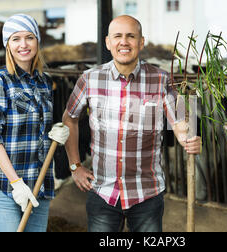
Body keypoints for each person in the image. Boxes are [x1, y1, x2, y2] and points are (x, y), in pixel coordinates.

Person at [62, 15, 202, 232]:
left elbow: (180, 122)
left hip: (146, 194)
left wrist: (188, 139)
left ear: (141, 42)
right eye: (117, 36)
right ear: (108, 42)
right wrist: (75, 166)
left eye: (131, 36)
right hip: (103, 193)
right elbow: (69, 119)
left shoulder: (162, 79)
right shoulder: (89, 79)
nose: (124, 42)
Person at [0, 14, 67, 232]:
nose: (24, 44)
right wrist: (16, 183)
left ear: (37, 41)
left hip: (39, 185)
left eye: (29, 37)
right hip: (6, 186)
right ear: (7, 45)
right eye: (16, 39)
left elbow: (39, 130)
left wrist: (55, 133)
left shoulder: (45, 82)